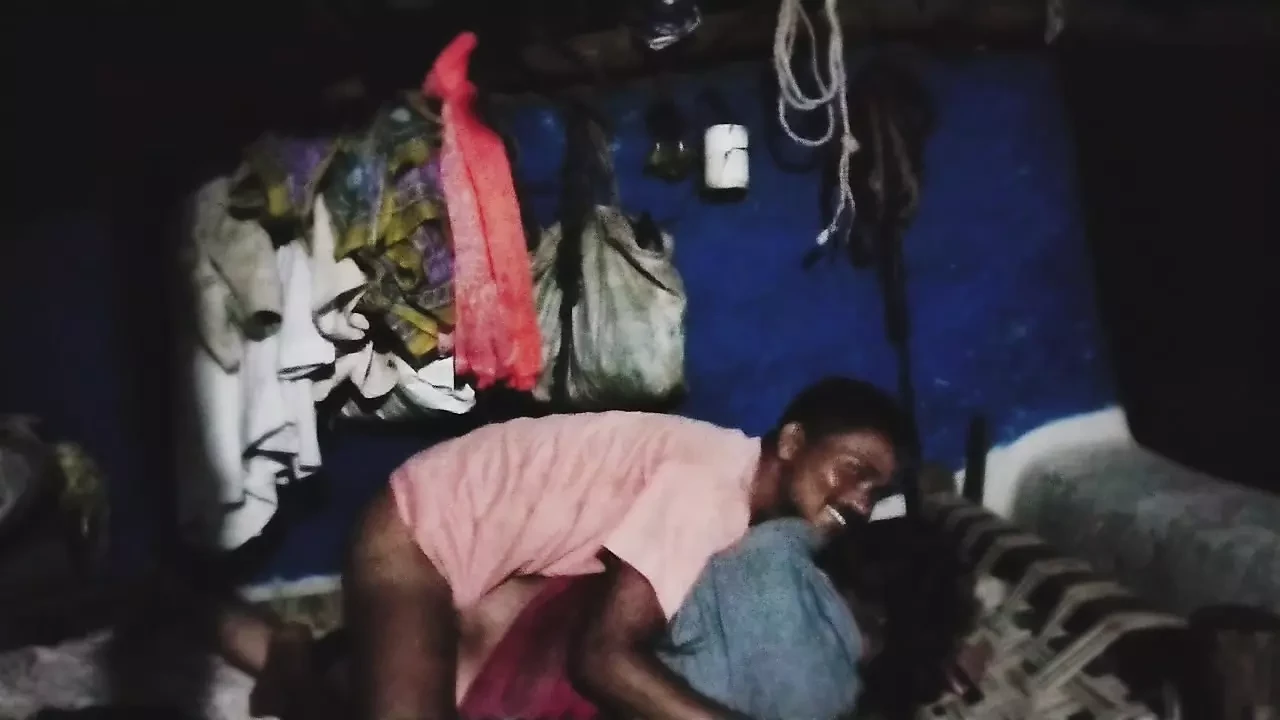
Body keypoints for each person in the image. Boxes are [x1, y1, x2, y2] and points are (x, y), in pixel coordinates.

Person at [229, 376, 906, 720]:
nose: (858, 500)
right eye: (852, 470)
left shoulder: (736, 496)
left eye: (876, 491)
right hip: (420, 537)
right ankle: (300, 668)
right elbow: (601, 658)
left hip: (495, 566)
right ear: (792, 443)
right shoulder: (709, 492)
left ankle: (312, 660)